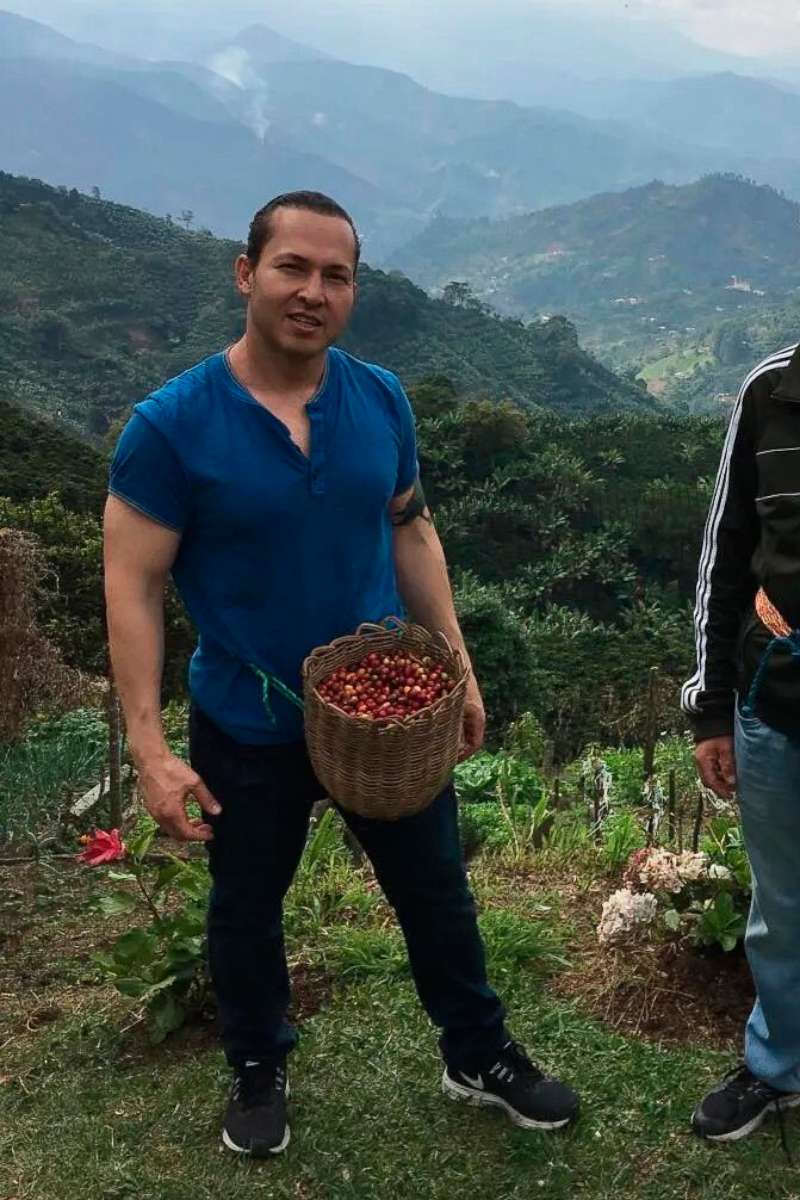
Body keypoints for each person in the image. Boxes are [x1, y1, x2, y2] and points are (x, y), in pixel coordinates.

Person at [104, 191, 579, 1157]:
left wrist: (457, 662)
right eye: (293, 268)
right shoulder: (170, 428)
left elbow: (410, 526)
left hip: (383, 711)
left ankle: (477, 1049)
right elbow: (135, 588)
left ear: (355, 289)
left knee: (436, 888)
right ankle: (255, 1060)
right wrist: (149, 749)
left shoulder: (380, 399)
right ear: (247, 274)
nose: (313, 292)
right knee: (246, 901)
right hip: (247, 716)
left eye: (336, 275)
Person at [682, 340, 800, 1143]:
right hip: (776, 701)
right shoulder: (771, 392)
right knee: (781, 903)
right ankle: (776, 1063)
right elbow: (723, 559)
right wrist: (711, 710)